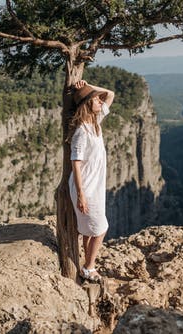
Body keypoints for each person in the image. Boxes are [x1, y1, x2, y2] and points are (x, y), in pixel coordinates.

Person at [68, 79, 115, 282]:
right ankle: (89, 267)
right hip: (85, 186)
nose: (99, 101)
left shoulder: (96, 123)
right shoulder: (81, 131)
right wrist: (81, 195)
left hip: (95, 186)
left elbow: (110, 94)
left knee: (89, 230)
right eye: (95, 100)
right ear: (87, 105)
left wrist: (90, 87)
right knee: (100, 229)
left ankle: (86, 265)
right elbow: (75, 164)